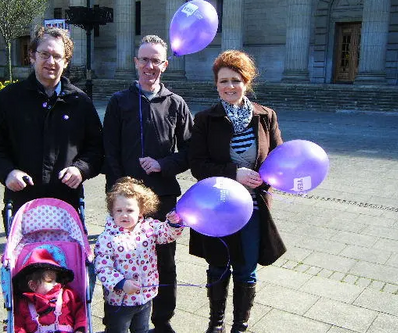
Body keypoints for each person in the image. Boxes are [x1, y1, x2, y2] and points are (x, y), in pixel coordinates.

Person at [188, 50, 287, 333]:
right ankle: (215, 324)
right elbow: (197, 165)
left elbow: (278, 161)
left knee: (246, 269)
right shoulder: (206, 119)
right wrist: (234, 173)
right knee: (218, 267)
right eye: (223, 81)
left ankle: (239, 326)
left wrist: (269, 179)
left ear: (247, 82)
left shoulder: (266, 116)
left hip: (254, 209)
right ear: (216, 84)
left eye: (236, 80)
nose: (229, 86)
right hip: (216, 207)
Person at [102, 35, 193, 333]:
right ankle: (115, 319)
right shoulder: (119, 102)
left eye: (156, 60)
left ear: (165, 65)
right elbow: (109, 151)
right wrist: (116, 194)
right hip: (125, 203)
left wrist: (163, 165)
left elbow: (190, 151)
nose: (149, 65)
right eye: (144, 59)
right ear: (135, 62)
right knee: (118, 259)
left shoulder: (176, 104)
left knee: (165, 261)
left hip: (163, 196)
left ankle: (161, 320)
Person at [0, 26, 104, 234]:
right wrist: (8, 171)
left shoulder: (80, 102)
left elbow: (96, 146)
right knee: (25, 265)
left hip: (66, 204)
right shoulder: (9, 98)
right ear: (32, 56)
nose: (51, 62)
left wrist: (80, 169)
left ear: (66, 61)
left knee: (66, 265)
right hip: (22, 201)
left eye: (57, 56)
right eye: (44, 54)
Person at [94, 176, 184, 333]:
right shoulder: (107, 238)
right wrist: (121, 283)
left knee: (141, 329)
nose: (124, 215)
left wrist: (173, 223)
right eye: (119, 211)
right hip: (119, 301)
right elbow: (102, 267)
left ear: (141, 211)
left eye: (130, 210)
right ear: (112, 211)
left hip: (145, 295)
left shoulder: (149, 228)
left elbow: (167, 234)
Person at [13, 245, 86, 333]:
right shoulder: (24, 304)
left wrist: (80, 328)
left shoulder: (67, 295)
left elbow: (80, 312)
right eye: (49, 281)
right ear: (33, 285)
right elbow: (18, 325)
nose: (55, 284)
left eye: (56, 280)